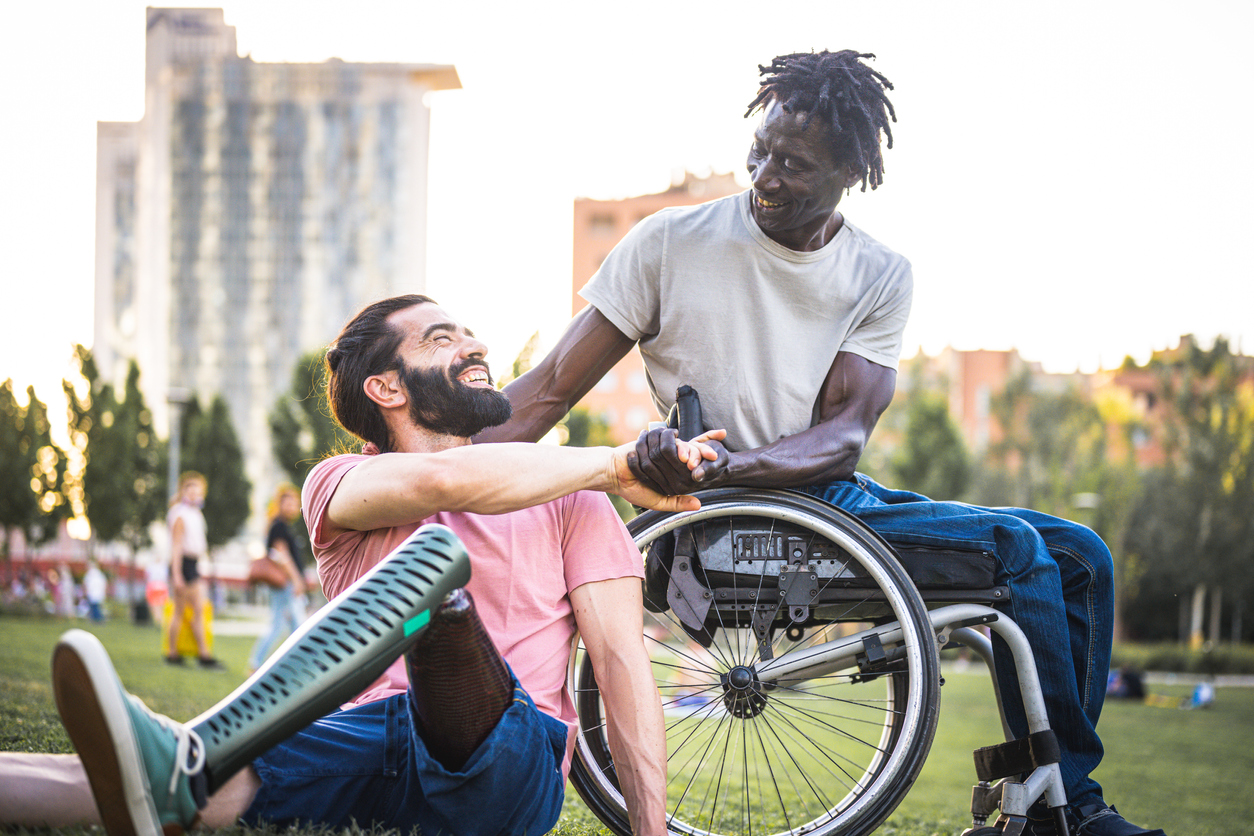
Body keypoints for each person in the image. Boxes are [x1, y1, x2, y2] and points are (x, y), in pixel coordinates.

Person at [481, 50, 1164, 836]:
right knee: (1015, 549)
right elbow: (548, 390)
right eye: (760, 151)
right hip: (725, 515)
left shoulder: (877, 273)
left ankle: (1051, 792)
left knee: (1083, 556)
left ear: (851, 172)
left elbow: (842, 436)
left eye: (794, 165)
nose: (765, 176)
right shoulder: (669, 242)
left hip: (820, 496)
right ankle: (1072, 812)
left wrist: (731, 458)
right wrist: (434, 462)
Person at [0, 293, 720, 836]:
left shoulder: (575, 499)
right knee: (146, 781)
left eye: (469, 333)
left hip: (505, 763)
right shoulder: (341, 483)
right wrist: (617, 462)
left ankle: (199, 747)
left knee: (437, 569)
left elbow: (622, 667)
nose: (473, 345)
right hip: (367, 743)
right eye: (443, 339)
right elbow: (441, 484)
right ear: (388, 387)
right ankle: (188, 757)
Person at [247, 484, 309, 672]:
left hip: (285, 584)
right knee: (291, 626)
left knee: (289, 626)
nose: (291, 507)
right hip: (286, 583)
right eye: (287, 503)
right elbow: (283, 556)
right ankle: (256, 664)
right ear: (279, 504)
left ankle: (292, 665)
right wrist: (297, 580)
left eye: (294, 503)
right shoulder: (279, 526)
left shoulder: (281, 525)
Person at [165, 472, 222, 669]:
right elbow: (177, 546)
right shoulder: (179, 513)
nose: (194, 492)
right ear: (183, 490)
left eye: (197, 488)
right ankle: (191, 654)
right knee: (184, 611)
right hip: (183, 565)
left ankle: (195, 654)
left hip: (193, 564)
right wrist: (177, 574)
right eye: (190, 487)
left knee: (193, 611)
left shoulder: (196, 513)